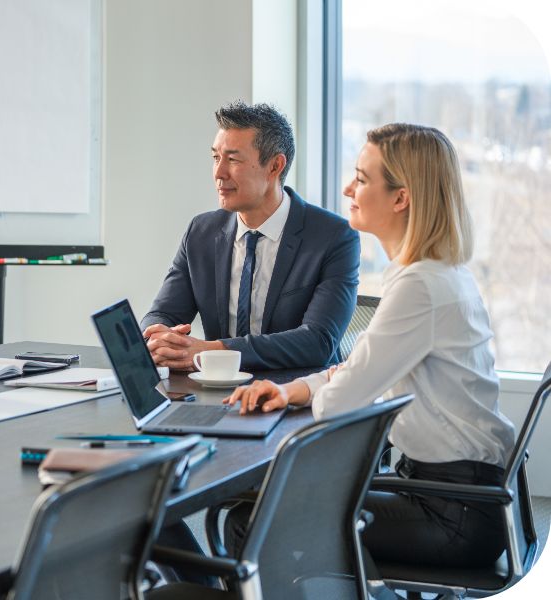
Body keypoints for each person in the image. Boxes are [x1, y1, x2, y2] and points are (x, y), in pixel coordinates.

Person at [224, 123, 516, 568]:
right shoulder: (435, 272)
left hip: (450, 511)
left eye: (361, 179)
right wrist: (290, 391)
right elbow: (359, 368)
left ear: (401, 198)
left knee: (252, 520)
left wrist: (319, 391)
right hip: (458, 495)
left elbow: (342, 401)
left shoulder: (419, 287)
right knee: (266, 510)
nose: (347, 189)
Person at [141, 102, 360, 372]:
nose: (219, 173)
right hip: (216, 391)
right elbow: (164, 312)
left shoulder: (334, 237)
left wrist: (212, 352)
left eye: (233, 160)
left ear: (275, 166)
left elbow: (318, 342)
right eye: (215, 158)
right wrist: (159, 336)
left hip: (297, 396)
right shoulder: (201, 232)